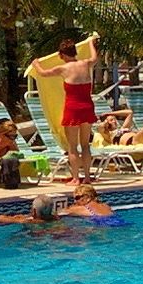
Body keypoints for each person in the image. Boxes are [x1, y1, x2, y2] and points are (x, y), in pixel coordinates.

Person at [26, 31, 104, 185]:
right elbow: (95, 57)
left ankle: (76, 178)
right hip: (87, 107)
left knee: (72, 147)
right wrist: (90, 42)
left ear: (62, 55)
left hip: (73, 109)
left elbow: (42, 73)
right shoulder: (85, 64)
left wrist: (36, 64)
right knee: (85, 145)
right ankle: (87, 178)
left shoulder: (63, 69)